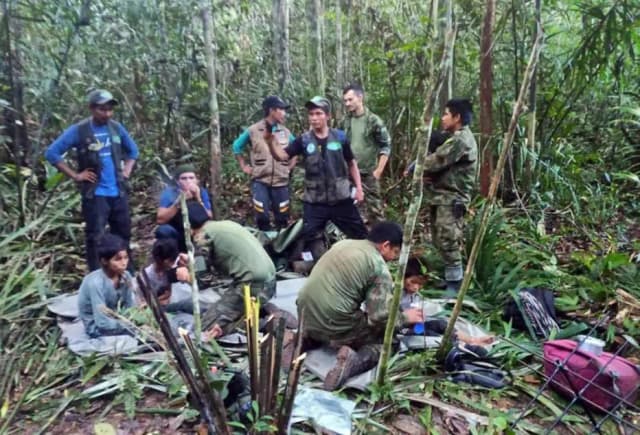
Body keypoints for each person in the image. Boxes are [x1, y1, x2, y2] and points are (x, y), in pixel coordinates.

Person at [296, 221, 425, 391]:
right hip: (334, 322)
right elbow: (378, 317)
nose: (393, 258)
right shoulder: (378, 267)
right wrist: (405, 317)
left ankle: (303, 340)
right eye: (395, 252)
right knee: (388, 343)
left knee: (338, 313)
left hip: (304, 312)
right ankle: (353, 362)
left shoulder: (344, 244)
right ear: (385, 245)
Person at [45, 89, 139, 271]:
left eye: (110, 109)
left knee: (123, 234)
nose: (107, 114)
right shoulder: (79, 131)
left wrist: (126, 171)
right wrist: (75, 175)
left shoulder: (116, 128)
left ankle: (127, 273)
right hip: (95, 194)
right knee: (96, 236)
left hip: (118, 191)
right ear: (91, 108)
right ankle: (97, 276)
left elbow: (133, 151)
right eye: (102, 110)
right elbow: (52, 153)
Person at [266, 96, 368, 261]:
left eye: (318, 113)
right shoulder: (304, 140)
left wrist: (359, 189)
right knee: (309, 237)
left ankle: (364, 264)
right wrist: (270, 142)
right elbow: (282, 156)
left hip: (341, 198)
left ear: (327, 116)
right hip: (315, 201)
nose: (314, 118)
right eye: (311, 114)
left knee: (360, 235)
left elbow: (351, 163)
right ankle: (315, 266)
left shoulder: (340, 137)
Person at [187, 214, 277, 340]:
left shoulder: (202, 236)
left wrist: (187, 275)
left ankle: (261, 324)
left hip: (251, 285)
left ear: (189, 228)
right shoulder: (226, 224)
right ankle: (255, 315)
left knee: (204, 328)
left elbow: (203, 281)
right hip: (270, 281)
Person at [423, 99, 478, 293]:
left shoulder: (460, 140)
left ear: (457, 117)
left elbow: (436, 161)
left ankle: (456, 285)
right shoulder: (454, 138)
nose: (443, 118)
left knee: (448, 238)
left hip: (452, 198)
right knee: (440, 237)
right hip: (442, 196)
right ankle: (450, 278)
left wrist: (418, 165)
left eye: (446, 114)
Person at [232, 96, 297, 230]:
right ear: (272, 110)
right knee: (262, 215)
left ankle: (281, 245)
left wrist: (290, 166)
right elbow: (237, 147)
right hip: (261, 180)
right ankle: (264, 242)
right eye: (282, 110)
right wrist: (244, 166)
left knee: (282, 216)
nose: (284, 113)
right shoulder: (253, 130)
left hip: (281, 181)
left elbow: (295, 148)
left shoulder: (285, 132)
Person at [340, 83, 392, 224]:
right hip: (349, 174)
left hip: (369, 174)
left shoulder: (373, 121)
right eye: (345, 100)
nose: (347, 103)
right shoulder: (345, 121)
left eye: (350, 100)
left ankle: (381, 242)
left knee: (375, 211)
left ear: (360, 97)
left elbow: (386, 145)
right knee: (351, 210)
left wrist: (378, 171)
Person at [78, 233, 135, 338]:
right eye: (118, 259)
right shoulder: (95, 283)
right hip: (98, 327)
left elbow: (130, 306)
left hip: (119, 319)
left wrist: (133, 319)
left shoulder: (126, 276)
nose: (124, 263)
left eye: (126, 257)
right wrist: (128, 325)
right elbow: (102, 322)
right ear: (104, 261)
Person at [156, 164, 213, 251]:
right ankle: (172, 257)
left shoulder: (201, 191)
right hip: (178, 230)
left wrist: (198, 198)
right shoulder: (170, 193)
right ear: (177, 181)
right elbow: (160, 219)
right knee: (163, 231)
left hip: (199, 230)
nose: (188, 181)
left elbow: (209, 216)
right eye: (184, 178)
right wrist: (179, 202)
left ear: (196, 180)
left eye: (191, 178)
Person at [142, 238, 195, 313]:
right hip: (154, 309)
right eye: (172, 261)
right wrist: (159, 301)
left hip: (165, 303)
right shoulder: (147, 276)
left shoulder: (170, 270)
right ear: (166, 261)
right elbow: (144, 303)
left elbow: (168, 294)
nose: (174, 263)